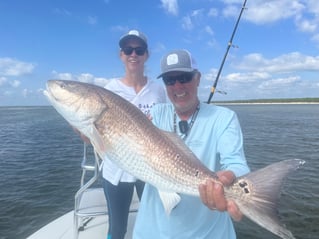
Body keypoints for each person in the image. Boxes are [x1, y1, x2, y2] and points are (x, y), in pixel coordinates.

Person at [133, 49, 250, 239]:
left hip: (209, 234)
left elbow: (237, 163)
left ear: (198, 78)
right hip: (151, 231)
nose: (177, 86)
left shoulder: (224, 118)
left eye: (184, 77)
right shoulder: (156, 114)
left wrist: (229, 178)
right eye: (170, 80)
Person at [102, 30, 167, 239]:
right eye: (128, 50)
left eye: (139, 50)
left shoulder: (158, 90)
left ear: (146, 55)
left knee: (154, 225)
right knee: (117, 228)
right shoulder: (110, 89)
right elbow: (94, 135)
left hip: (149, 170)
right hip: (116, 170)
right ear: (121, 54)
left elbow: (166, 128)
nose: (133, 54)